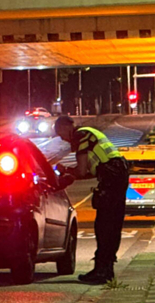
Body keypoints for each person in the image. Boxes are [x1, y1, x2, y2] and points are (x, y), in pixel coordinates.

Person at [54, 116, 130, 284]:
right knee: (112, 224)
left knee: (104, 225)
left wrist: (65, 170)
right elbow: (90, 172)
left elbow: (81, 171)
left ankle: (102, 270)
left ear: (66, 127)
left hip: (112, 177)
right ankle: (105, 269)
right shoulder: (89, 133)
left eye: (60, 133)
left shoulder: (81, 136)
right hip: (116, 174)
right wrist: (70, 175)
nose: (62, 139)